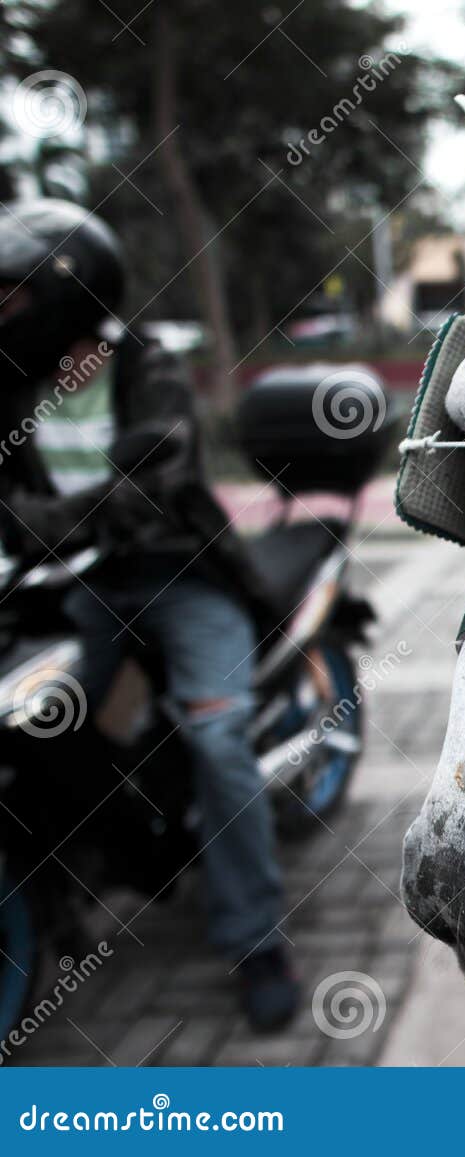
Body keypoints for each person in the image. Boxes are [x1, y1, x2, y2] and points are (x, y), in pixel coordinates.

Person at [0, 199, 299, 1032]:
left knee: (214, 737)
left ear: (67, 291)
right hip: (70, 590)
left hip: (182, 577)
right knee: (36, 725)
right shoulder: (14, 383)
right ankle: (89, 858)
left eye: (11, 296)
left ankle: (256, 938)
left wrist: (40, 522)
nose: (2, 312)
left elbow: (154, 479)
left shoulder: (146, 365)